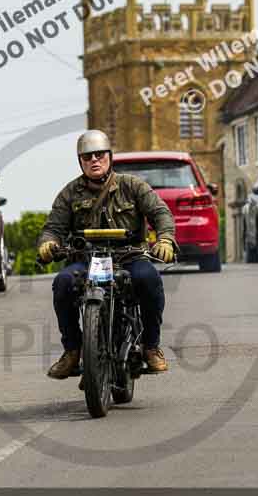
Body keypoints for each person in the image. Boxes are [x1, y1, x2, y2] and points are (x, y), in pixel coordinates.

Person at [38, 130, 177, 380]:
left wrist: (165, 239)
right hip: (85, 259)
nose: (94, 160)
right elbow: (53, 227)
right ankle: (72, 350)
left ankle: (151, 346)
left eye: (99, 154)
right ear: (80, 161)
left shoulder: (132, 186)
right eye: (87, 156)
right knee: (62, 283)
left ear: (109, 156)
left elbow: (161, 213)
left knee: (149, 280)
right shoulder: (69, 193)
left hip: (130, 257)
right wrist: (48, 243)